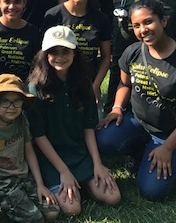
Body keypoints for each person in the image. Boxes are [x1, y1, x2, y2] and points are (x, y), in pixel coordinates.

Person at [97, 0, 176, 201]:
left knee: (153, 192)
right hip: (138, 122)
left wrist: (167, 147)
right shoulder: (133, 52)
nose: (143, 30)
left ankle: (173, 155)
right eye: (136, 25)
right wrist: (117, 108)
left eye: (148, 22)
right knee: (103, 139)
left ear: (163, 21)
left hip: (170, 133)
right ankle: (142, 151)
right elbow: (125, 84)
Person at [26, 26, 121, 216]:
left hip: (78, 153)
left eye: (65, 51)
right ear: (44, 55)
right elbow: (39, 136)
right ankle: (69, 184)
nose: (60, 56)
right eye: (53, 52)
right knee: (72, 209)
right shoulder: (35, 89)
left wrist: (97, 164)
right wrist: (63, 171)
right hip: (51, 159)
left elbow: (88, 128)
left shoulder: (83, 84)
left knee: (113, 197)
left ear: (75, 53)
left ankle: (82, 182)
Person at [0, 74, 59, 223]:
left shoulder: (21, 120)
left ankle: (14, 200)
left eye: (17, 102)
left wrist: (40, 184)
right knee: (35, 219)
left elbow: (29, 151)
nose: (11, 107)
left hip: (22, 176)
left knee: (53, 211)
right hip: (0, 181)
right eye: (5, 102)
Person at [41, 0, 112, 111]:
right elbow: (43, 53)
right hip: (56, 82)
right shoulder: (53, 15)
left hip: (87, 82)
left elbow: (106, 57)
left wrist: (95, 86)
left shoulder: (100, 19)